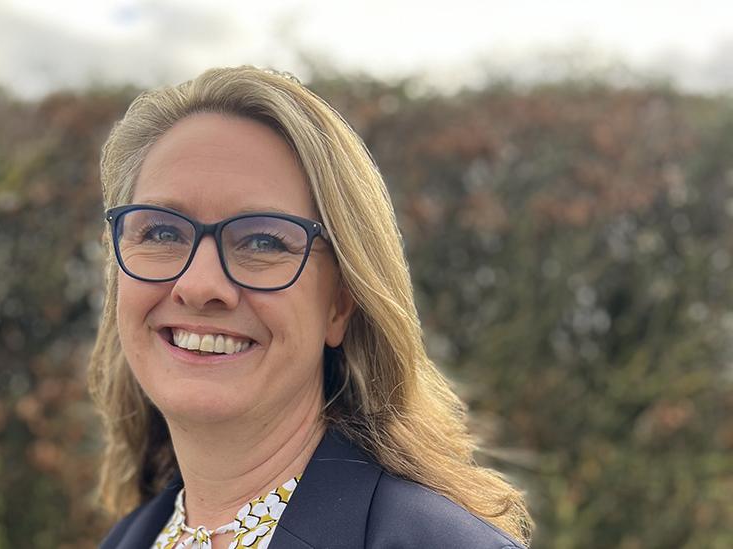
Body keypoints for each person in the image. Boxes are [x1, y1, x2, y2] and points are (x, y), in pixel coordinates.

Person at [89, 66, 531, 548]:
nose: (199, 286)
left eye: (261, 240)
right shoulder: (129, 539)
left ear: (340, 304)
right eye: (162, 232)